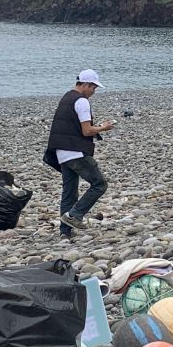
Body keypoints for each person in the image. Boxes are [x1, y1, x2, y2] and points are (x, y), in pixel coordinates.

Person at [43, 69, 114, 235]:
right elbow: (86, 131)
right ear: (86, 84)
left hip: (61, 152)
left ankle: (65, 231)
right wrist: (103, 128)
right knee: (99, 184)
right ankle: (75, 215)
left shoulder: (66, 97)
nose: (93, 92)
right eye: (93, 88)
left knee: (69, 192)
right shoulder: (81, 101)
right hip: (76, 152)